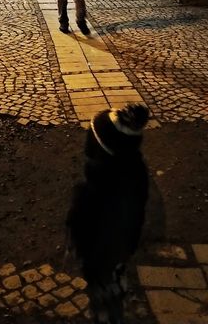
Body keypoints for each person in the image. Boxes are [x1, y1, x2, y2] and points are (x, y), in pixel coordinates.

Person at [66, 103, 150, 324]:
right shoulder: (135, 171)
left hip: (99, 249)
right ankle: (114, 288)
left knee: (101, 281)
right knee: (113, 271)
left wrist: (75, 240)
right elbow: (137, 215)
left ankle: (106, 308)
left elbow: (81, 220)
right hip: (122, 246)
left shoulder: (97, 184)